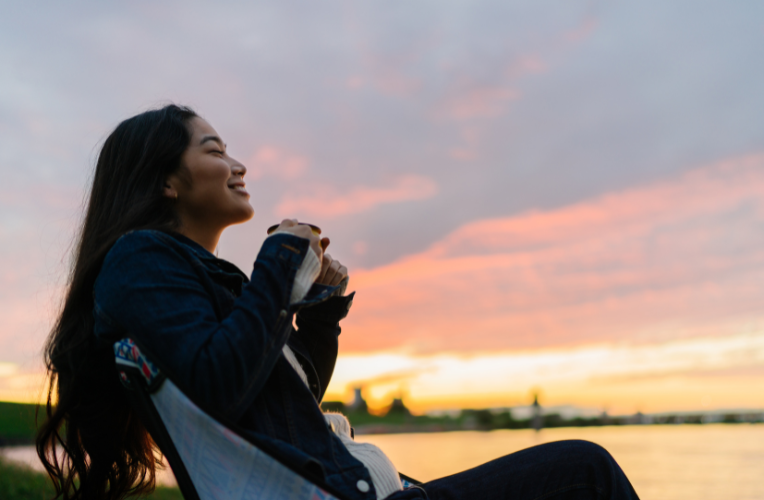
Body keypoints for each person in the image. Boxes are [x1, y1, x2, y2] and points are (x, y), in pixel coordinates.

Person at [37, 104, 639, 500]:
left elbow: (281, 403)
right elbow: (217, 384)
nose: (239, 164)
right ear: (166, 181)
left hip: (362, 487)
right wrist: (276, 260)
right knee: (584, 472)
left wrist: (318, 313)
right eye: (216, 150)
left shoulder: (192, 275)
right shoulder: (141, 259)